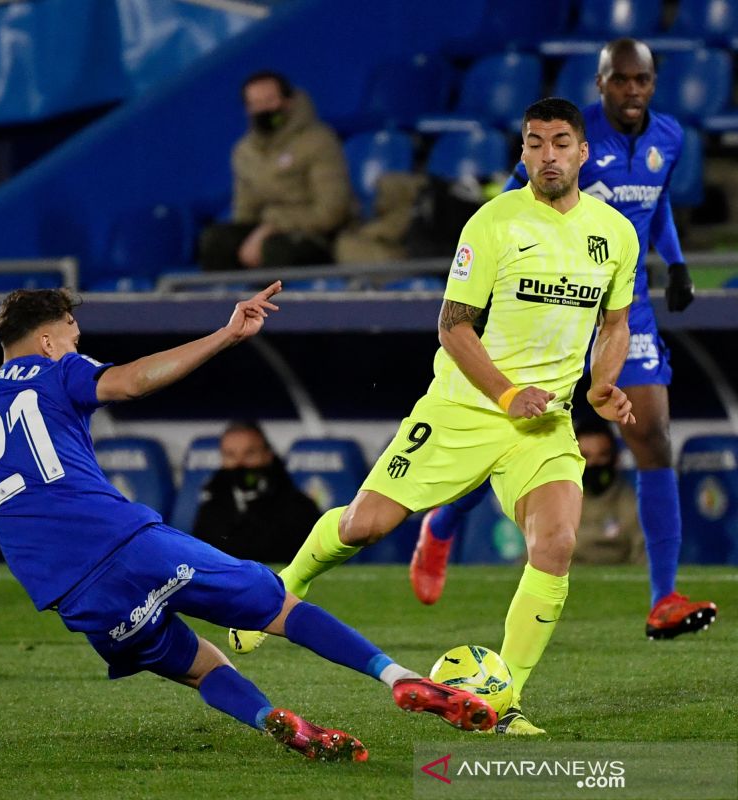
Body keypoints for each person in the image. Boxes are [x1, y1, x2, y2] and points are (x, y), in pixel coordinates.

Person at [0, 284, 496, 762]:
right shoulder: (57, 372)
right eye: (74, 335)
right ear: (48, 340)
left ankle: (273, 721)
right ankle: (398, 676)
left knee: (198, 663)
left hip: (72, 594)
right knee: (276, 607)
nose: (78, 345)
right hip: (124, 542)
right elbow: (128, 384)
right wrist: (225, 336)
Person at [231, 98, 639, 735]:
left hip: (545, 423)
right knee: (365, 526)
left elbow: (615, 323)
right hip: (463, 410)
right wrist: (506, 395)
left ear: (583, 152)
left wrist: (606, 383)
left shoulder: (615, 233)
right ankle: (281, 590)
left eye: (561, 142)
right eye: (535, 143)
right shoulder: (493, 223)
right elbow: (452, 329)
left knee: (555, 545)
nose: (548, 155)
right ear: (523, 152)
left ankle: (501, 704)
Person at [408, 39, 717, 640]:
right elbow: (514, 207)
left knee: (651, 434)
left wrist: (674, 263)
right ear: (599, 83)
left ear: (655, 83)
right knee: (510, 439)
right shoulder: (572, 143)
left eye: (642, 80)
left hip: (625, 308)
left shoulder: (671, 137)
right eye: (620, 80)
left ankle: (663, 599)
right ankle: (442, 525)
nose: (632, 91)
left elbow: (657, 205)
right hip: (550, 312)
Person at [198, 71, 354, 271]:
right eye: (256, 103)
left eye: (270, 100)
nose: (263, 109)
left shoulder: (319, 141)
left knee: (275, 248)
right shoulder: (245, 151)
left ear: (288, 101)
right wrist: (249, 239)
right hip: (266, 232)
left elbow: (331, 212)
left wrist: (271, 227)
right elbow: (244, 213)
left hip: (316, 236)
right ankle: (224, 301)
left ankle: (268, 302)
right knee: (217, 240)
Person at [192, 421, 319, 563]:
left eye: (249, 454)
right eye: (230, 455)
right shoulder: (210, 507)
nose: (239, 463)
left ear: (268, 455)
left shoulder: (299, 507)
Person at [572, 418, 644, 566]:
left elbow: (645, 565)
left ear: (615, 459)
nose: (593, 465)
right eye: (585, 457)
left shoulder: (633, 506)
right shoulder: (556, 504)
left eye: (602, 456)